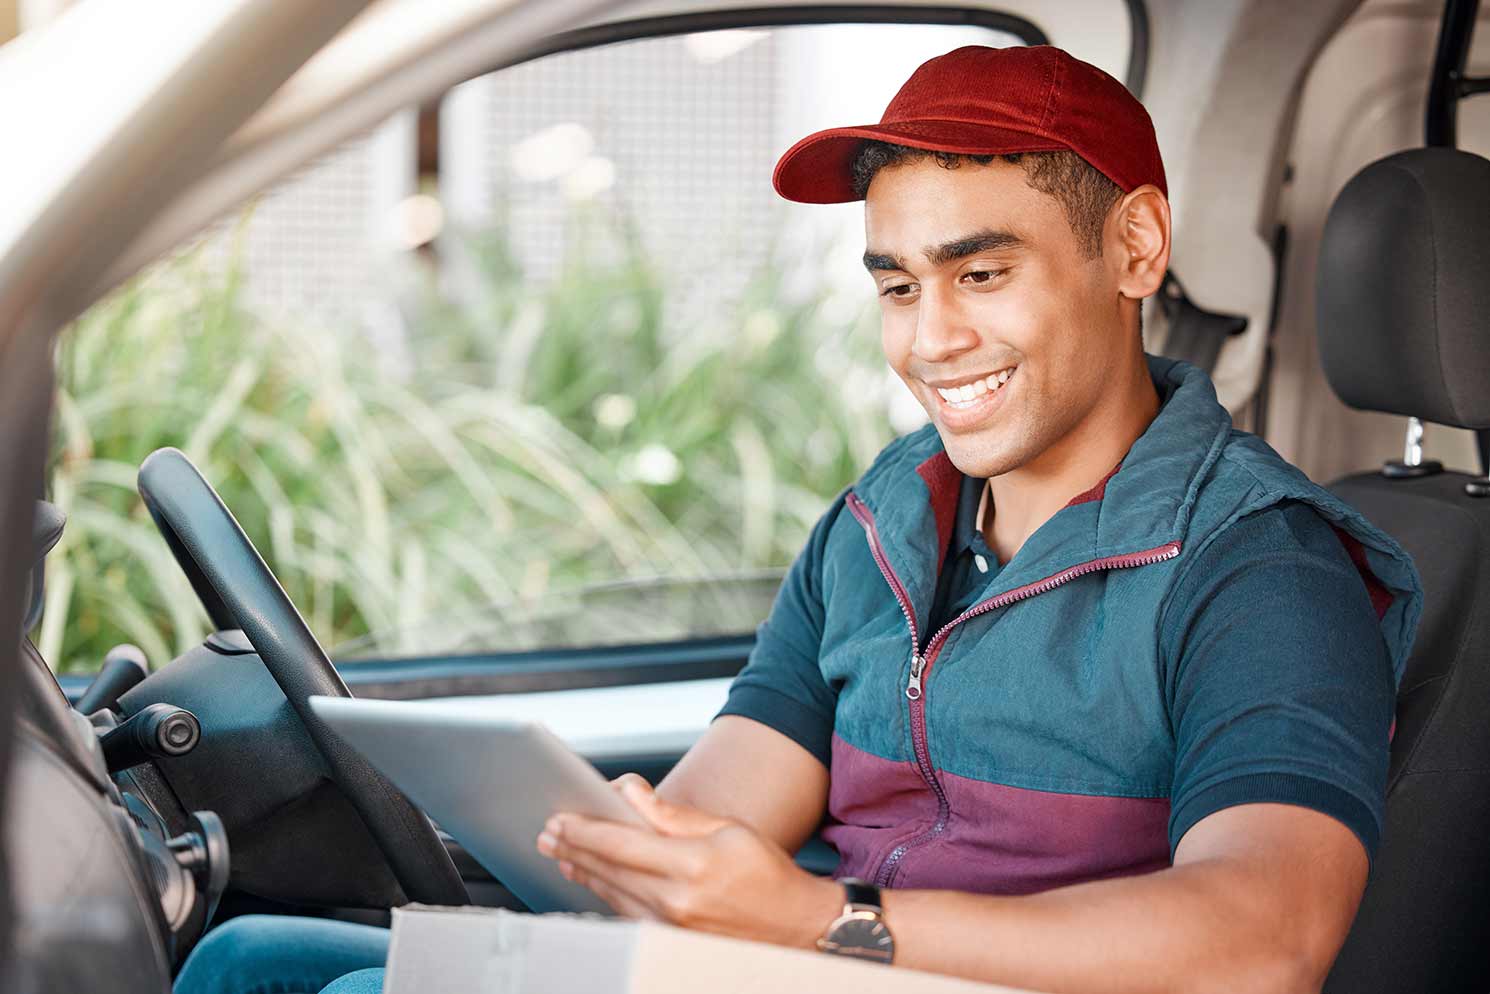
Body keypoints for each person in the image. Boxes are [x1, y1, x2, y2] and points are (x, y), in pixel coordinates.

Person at [177, 43, 1421, 994]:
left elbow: (1264, 937)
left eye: (980, 275)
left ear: (1134, 246)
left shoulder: (1259, 564)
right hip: (799, 970)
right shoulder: (883, 520)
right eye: (898, 285)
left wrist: (825, 924)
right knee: (249, 961)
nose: (930, 342)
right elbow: (730, 802)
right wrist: (635, 844)